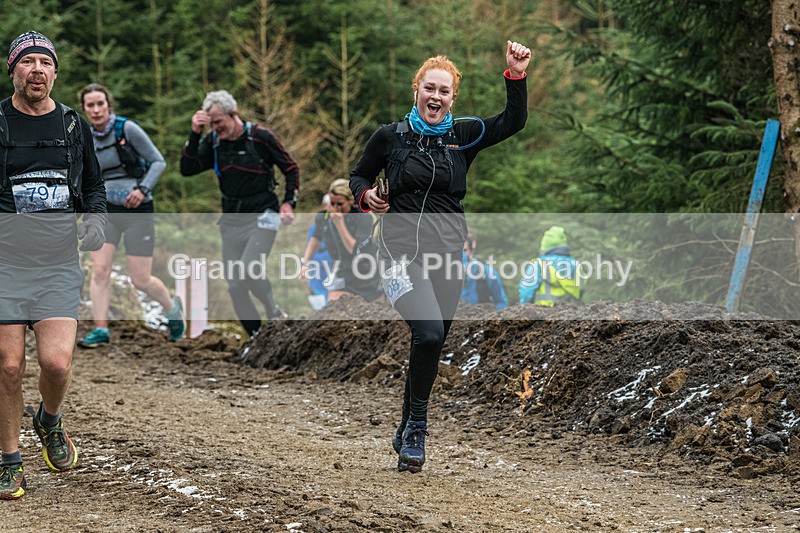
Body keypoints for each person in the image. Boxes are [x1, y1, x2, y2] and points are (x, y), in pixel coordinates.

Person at [350, 40, 530, 473]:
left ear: (453, 98)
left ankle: (407, 421)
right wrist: (366, 195)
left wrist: (516, 75)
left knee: (431, 341)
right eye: (429, 88)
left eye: (444, 91)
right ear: (417, 90)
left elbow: (513, 121)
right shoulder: (390, 137)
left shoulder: (463, 135)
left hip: (448, 255)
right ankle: (418, 428)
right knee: (428, 333)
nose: (436, 96)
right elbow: (358, 174)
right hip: (397, 254)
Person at [0, 31, 106, 500]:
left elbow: (96, 188)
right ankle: (9, 460)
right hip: (5, 264)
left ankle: (48, 420)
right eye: (28, 62)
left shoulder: (71, 124)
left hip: (58, 264)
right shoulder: (0, 122)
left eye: (45, 61)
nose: (37, 69)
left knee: (56, 364)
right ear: (14, 71)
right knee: (7, 366)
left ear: (55, 73)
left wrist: (98, 222)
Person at [180, 90, 298, 337]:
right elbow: (187, 169)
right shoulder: (213, 142)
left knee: (249, 268)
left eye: (218, 122)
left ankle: (273, 310)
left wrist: (288, 203)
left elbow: (290, 168)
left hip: (263, 213)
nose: (215, 128)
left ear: (233, 114)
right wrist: (195, 133)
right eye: (211, 124)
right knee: (235, 285)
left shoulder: (260, 137)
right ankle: (255, 337)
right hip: (232, 219)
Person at [77, 83, 184, 348]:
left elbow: (158, 162)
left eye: (100, 103)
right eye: (90, 105)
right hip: (106, 211)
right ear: (84, 109)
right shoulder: (83, 136)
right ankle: (101, 329)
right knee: (100, 270)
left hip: (137, 209)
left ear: (108, 105)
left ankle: (173, 309)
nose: (96, 109)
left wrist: (142, 189)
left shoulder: (127, 129)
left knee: (140, 279)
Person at [299, 179, 382, 302]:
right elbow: (316, 237)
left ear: (350, 201)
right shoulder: (324, 216)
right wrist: (305, 262)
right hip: (342, 273)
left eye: (340, 204)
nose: (335, 208)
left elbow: (355, 251)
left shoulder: (364, 218)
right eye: (332, 203)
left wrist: (339, 224)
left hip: (367, 274)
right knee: (334, 307)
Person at [519, 225, 583, 306]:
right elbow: (581, 289)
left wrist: (523, 307)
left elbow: (526, 290)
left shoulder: (538, 264)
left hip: (542, 313)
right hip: (571, 313)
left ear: (545, 246)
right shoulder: (576, 265)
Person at [461, 231, 508, 310]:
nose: (461, 255)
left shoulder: (488, 273)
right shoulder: (443, 274)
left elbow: (501, 303)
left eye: (465, 250)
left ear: (473, 245)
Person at [303, 194, 334, 309]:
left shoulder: (340, 224)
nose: (327, 208)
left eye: (329, 205)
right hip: (317, 269)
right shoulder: (315, 227)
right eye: (325, 205)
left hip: (333, 267)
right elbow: (312, 246)